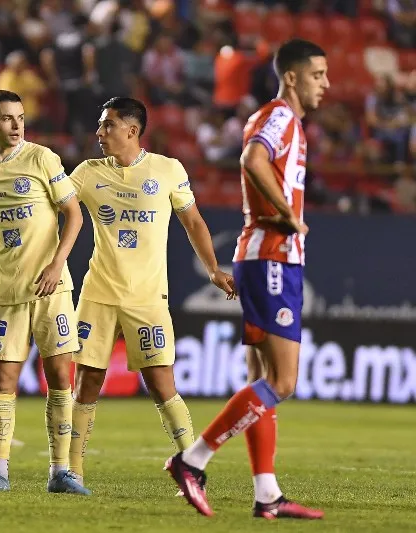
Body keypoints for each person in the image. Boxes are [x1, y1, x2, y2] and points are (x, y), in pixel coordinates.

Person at [165, 39, 329, 520]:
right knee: (283, 380)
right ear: (293, 77)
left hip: (269, 258)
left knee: (261, 381)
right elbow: (252, 160)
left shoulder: (289, 123)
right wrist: (287, 214)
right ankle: (191, 460)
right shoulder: (279, 116)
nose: (326, 84)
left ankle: (267, 494)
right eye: (318, 74)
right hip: (272, 256)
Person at [66, 96, 236, 489]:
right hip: (99, 293)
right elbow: (56, 205)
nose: (99, 132)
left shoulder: (167, 170)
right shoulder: (88, 173)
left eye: (108, 125)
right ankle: (72, 470)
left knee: (162, 384)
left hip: (148, 297)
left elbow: (192, 221)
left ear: (132, 130)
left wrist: (212, 269)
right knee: (87, 381)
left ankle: (192, 467)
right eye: (100, 124)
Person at [0, 90, 88, 495]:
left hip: (51, 287)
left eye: (20, 116)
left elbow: (74, 214)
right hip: (6, 289)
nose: (16, 124)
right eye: (6, 118)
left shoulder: (43, 157)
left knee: (59, 375)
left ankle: (60, 471)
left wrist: (57, 264)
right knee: (3, 379)